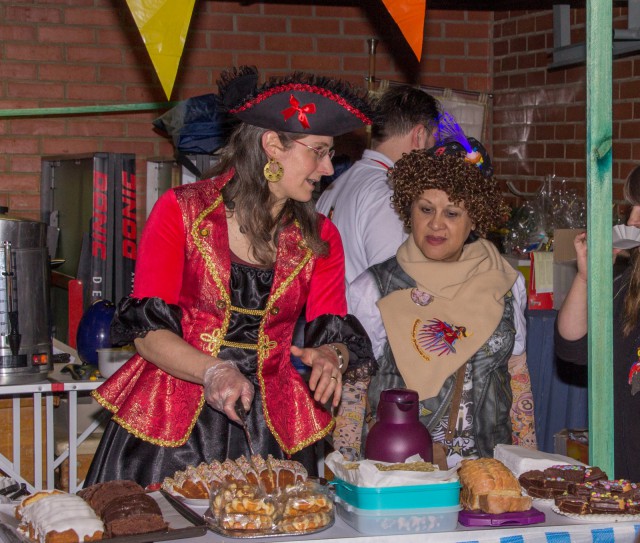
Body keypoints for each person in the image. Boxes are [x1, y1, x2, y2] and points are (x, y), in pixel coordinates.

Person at [84, 66, 377, 487]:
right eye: (319, 151)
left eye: (329, 153)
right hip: (172, 422)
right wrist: (214, 371)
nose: (328, 168)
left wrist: (334, 356)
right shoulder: (181, 211)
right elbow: (147, 333)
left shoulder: (321, 237)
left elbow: (333, 331)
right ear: (272, 145)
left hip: (272, 429)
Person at [348, 139, 533, 468]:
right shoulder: (373, 289)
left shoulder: (508, 284)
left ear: (474, 218)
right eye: (426, 209)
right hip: (402, 475)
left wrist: (527, 462)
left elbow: (517, 379)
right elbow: (353, 391)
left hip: (489, 471)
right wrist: (346, 471)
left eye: (452, 213)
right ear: (409, 210)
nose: (436, 224)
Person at [555, 164, 640, 482]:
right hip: (626, 474)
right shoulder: (627, 285)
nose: (632, 220)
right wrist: (587, 278)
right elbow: (573, 347)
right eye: (632, 207)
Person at [316, 84, 441, 285]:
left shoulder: (335, 186)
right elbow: (394, 287)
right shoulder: (389, 196)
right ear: (419, 136)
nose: (433, 155)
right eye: (433, 142)